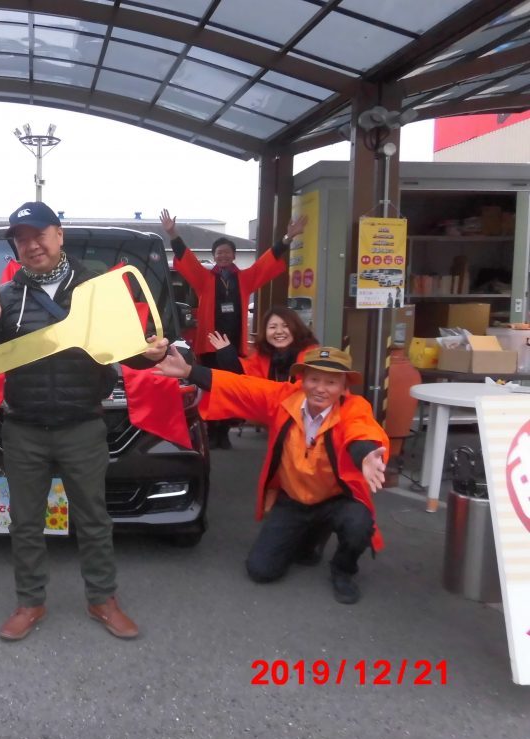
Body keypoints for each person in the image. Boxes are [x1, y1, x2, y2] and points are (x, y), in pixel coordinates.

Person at [0, 201, 168, 641]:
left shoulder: (97, 290)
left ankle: (102, 598)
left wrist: (150, 354)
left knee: (93, 518)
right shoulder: (5, 298)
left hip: (82, 425)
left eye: (38, 235)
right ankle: (30, 602)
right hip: (23, 428)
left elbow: (125, 351)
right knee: (24, 522)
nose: (31, 245)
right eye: (22, 239)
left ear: (59, 235)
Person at [156, 346, 388, 604]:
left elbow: (361, 429)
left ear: (344, 386)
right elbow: (241, 387)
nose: (321, 388)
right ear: (302, 380)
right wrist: (189, 371)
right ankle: (310, 536)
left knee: (359, 524)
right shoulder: (284, 398)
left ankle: (343, 570)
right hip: (293, 500)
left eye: (331, 382)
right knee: (261, 570)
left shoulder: (354, 407)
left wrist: (366, 454)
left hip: (336, 499)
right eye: (314, 379)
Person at [160, 208, 308, 448]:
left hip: (234, 347)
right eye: (219, 253)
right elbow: (186, 259)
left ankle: (224, 433)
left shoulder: (245, 279)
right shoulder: (204, 279)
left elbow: (266, 262)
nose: (223, 256)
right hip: (210, 347)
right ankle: (212, 432)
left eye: (227, 252)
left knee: (232, 390)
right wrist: (173, 234)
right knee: (210, 388)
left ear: (234, 256)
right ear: (214, 256)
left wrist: (287, 238)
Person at [208, 305, 319, 384]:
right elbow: (244, 377)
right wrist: (226, 353)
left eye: (285, 326)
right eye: (272, 327)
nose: (279, 331)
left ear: (296, 328)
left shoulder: (311, 357)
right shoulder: (262, 355)